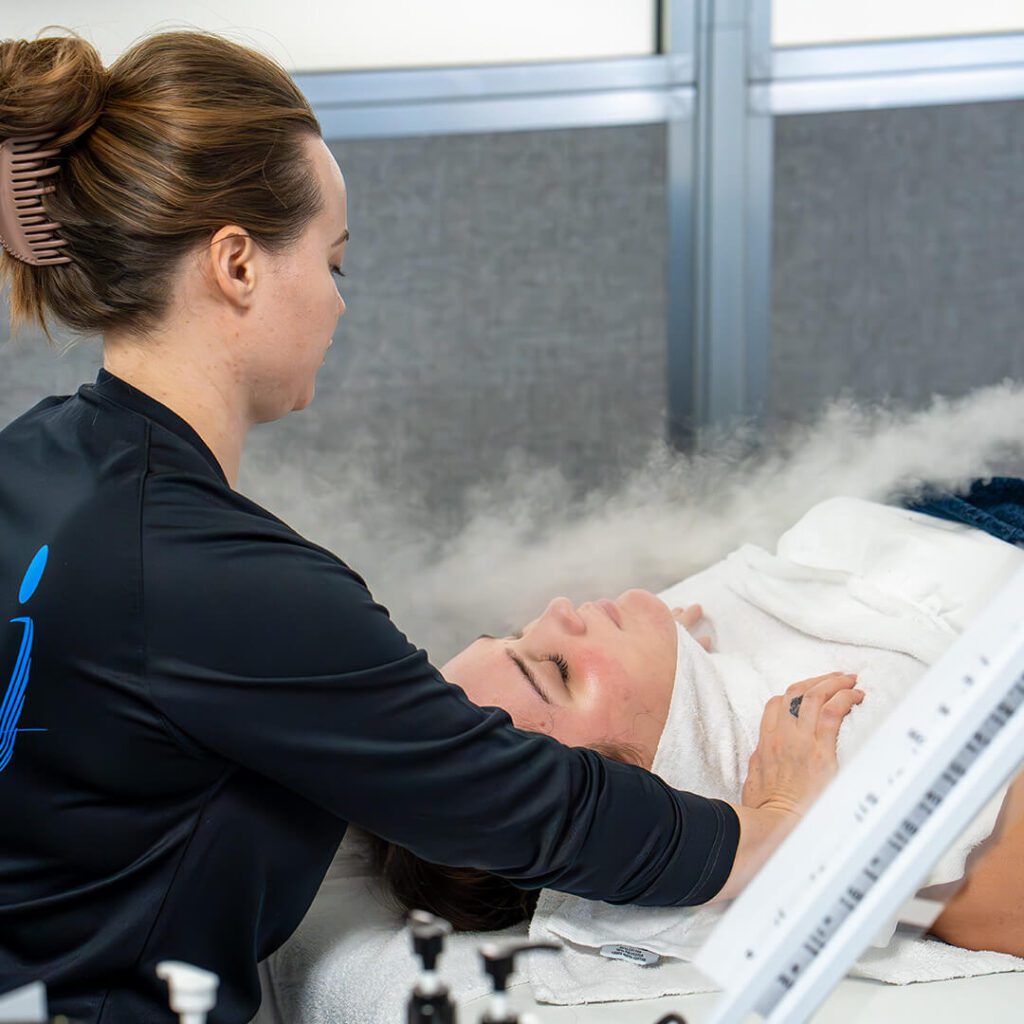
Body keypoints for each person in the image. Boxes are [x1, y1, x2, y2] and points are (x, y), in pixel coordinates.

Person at [0, 28, 862, 1024]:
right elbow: (512, 799)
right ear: (235, 264)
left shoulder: (31, 466)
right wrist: (764, 828)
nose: (334, 303)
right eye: (333, 262)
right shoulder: (218, 577)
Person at [370, 528, 1024, 958]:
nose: (557, 612)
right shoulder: (825, 755)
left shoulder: (674, 664)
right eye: (557, 669)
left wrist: (688, 680)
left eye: (512, 633)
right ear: (632, 793)